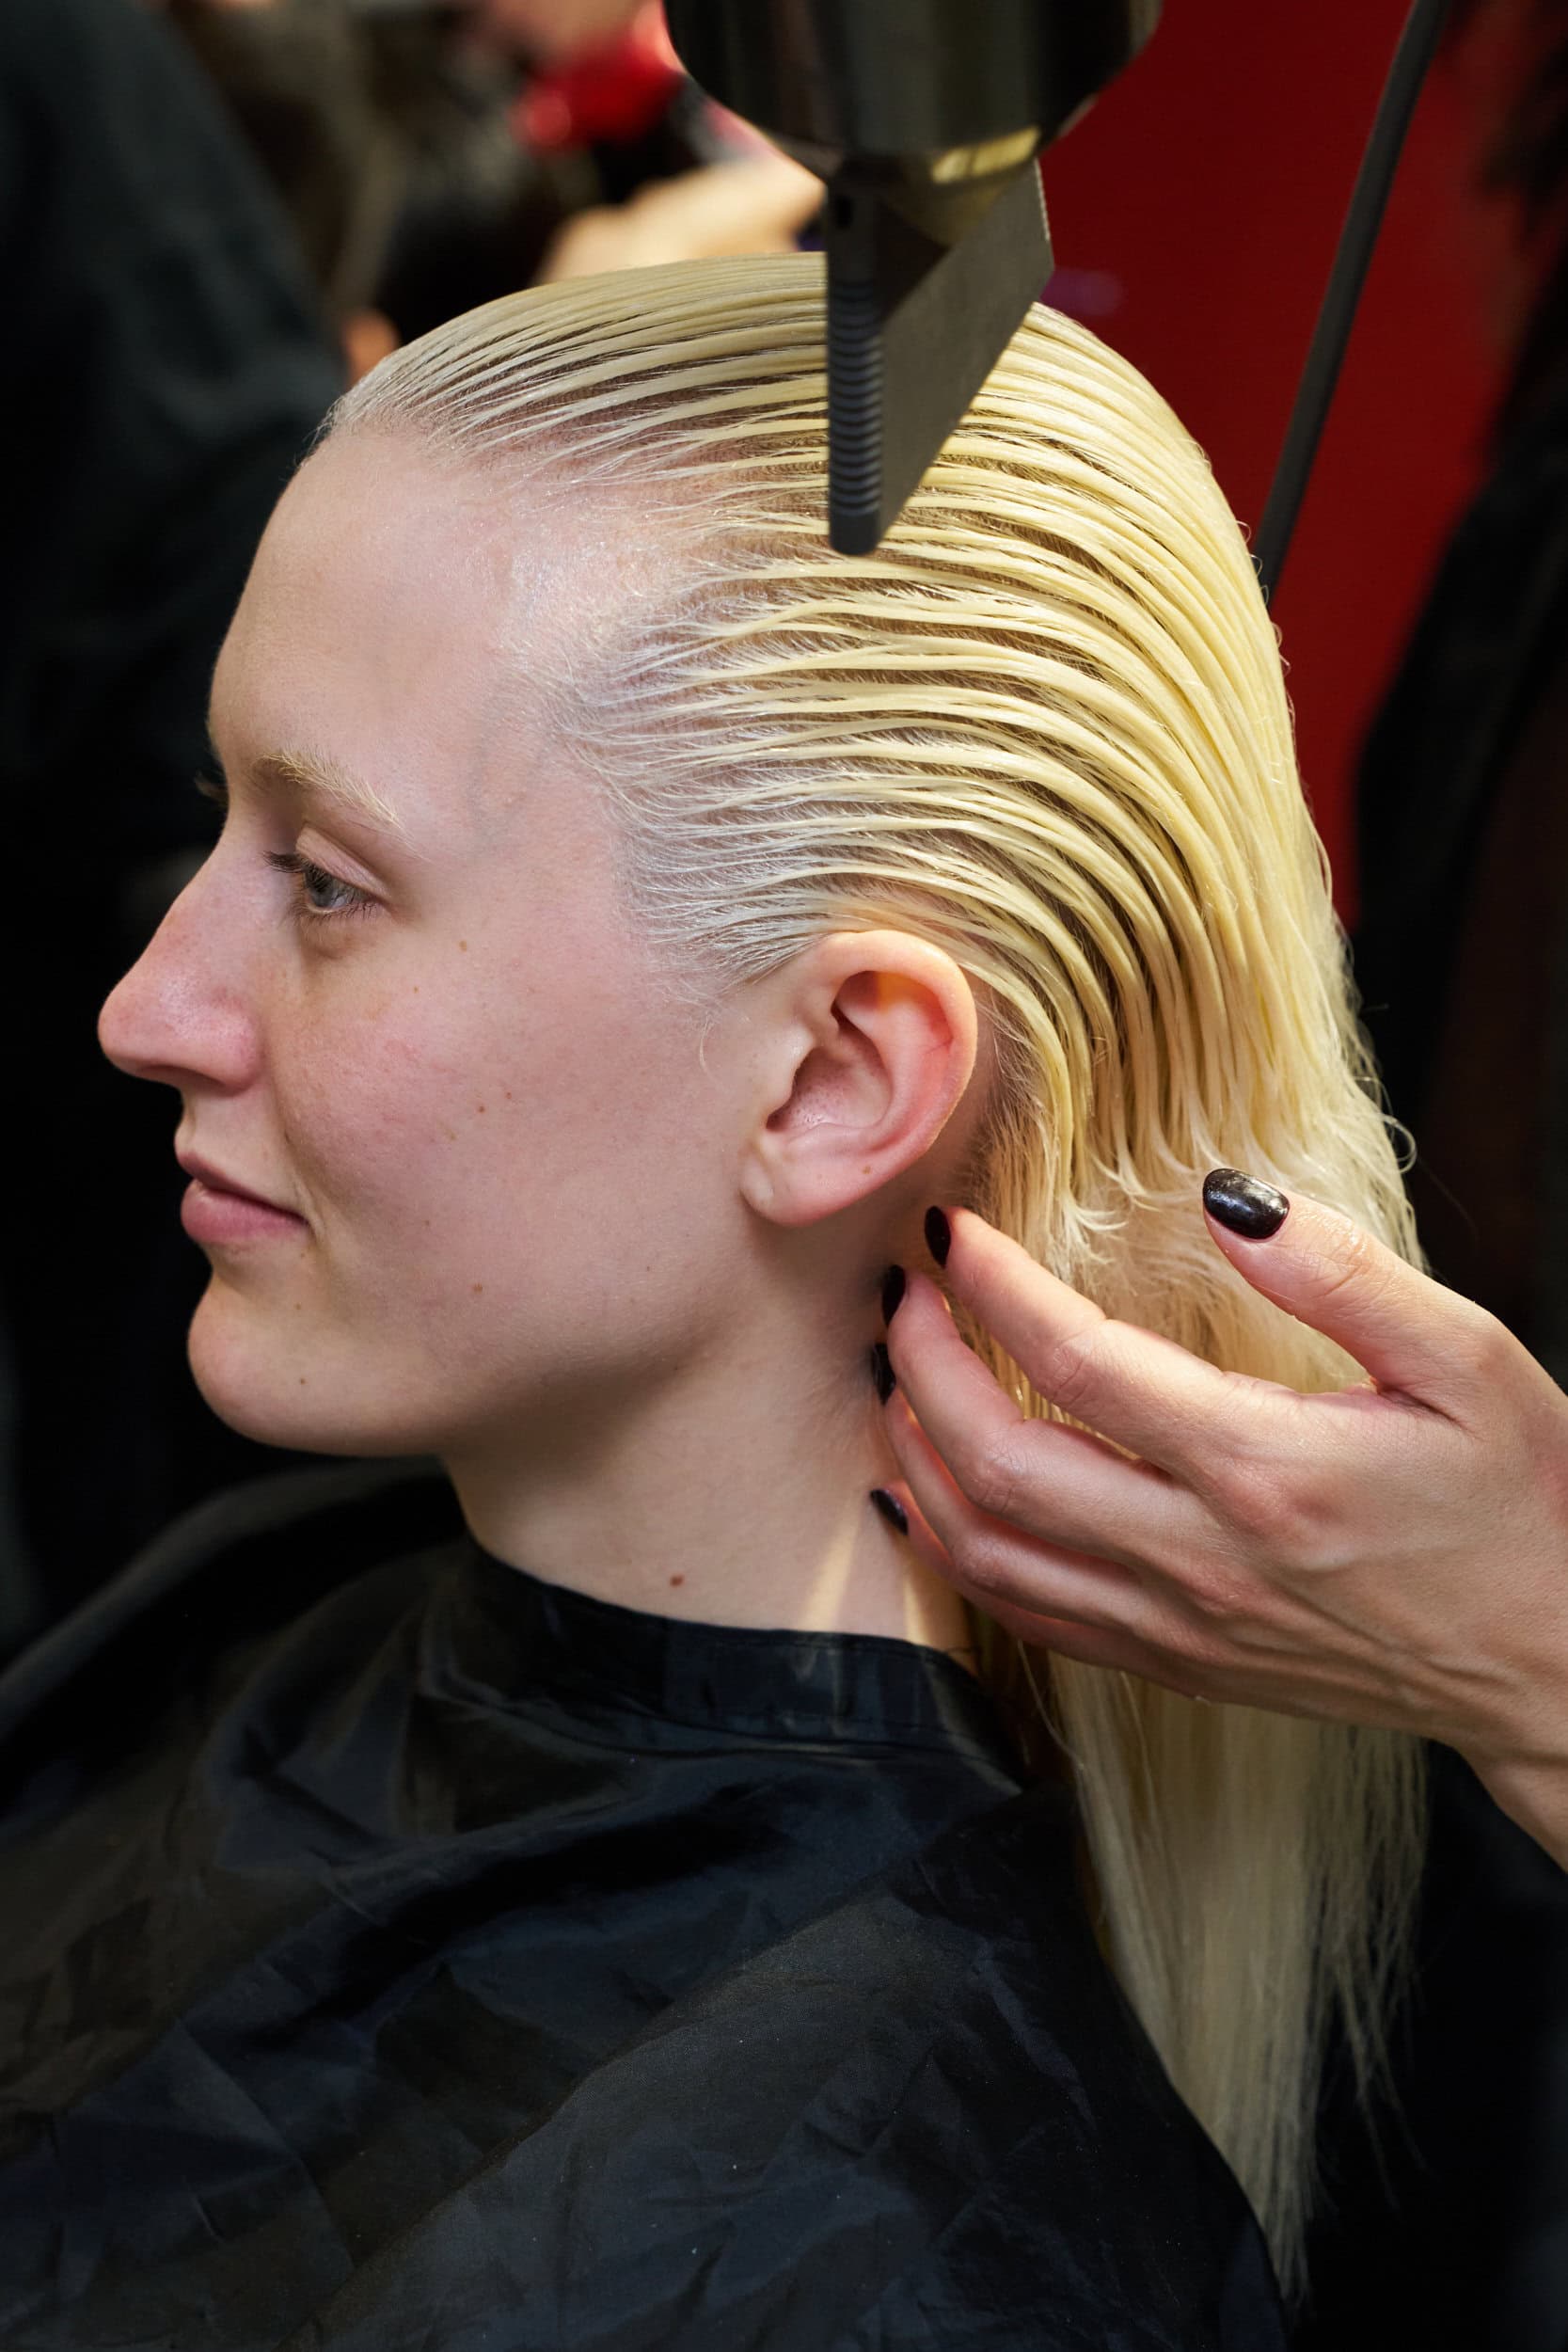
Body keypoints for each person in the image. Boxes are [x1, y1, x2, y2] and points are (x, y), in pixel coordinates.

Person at [0, 251, 1422, 2346]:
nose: (148, 1007)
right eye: (228, 825)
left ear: (834, 1077)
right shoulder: (249, 1615)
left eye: (324, 884)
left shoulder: (890, 2227)